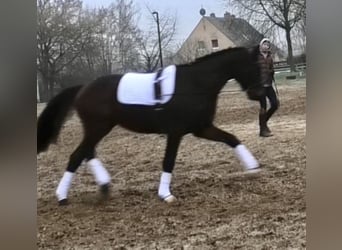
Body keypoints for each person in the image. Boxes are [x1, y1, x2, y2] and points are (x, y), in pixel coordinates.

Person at [257, 38, 279, 137]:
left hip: (269, 84)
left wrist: (271, 71)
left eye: (267, 45)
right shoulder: (257, 57)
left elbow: (271, 68)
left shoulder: (270, 57)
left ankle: (263, 122)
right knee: (263, 107)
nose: (266, 46)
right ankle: (263, 130)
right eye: (264, 44)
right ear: (261, 46)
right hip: (260, 86)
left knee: (275, 104)